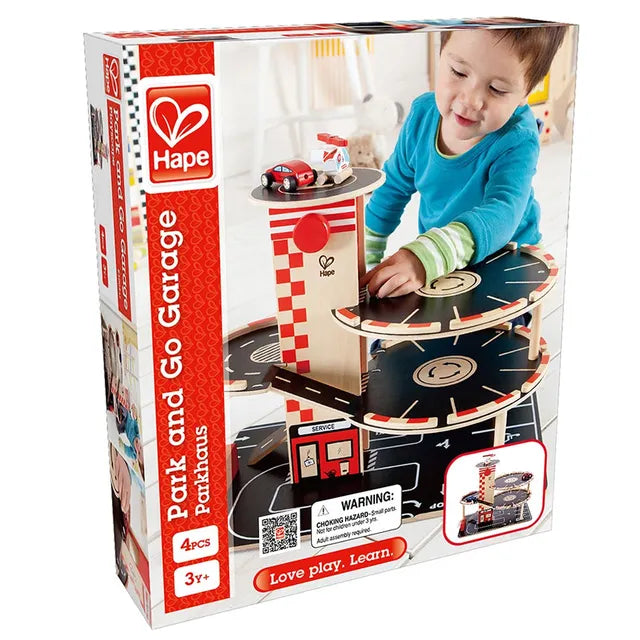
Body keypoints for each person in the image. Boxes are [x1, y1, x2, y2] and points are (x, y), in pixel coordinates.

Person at [362, 26, 567, 298]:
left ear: (525, 93)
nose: (471, 100)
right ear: (441, 53)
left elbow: (502, 212)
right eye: (458, 72)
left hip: (508, 262)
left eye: (496, 89)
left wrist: (425, 256)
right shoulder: (422, 116)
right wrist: (365, 260)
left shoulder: (518, 139)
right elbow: (391, 189)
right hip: (442, 260)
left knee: (492, 325)